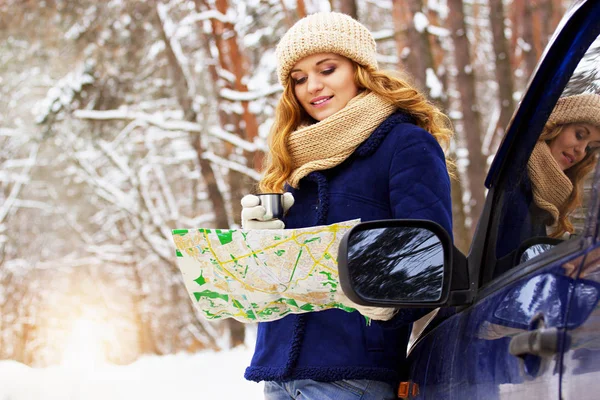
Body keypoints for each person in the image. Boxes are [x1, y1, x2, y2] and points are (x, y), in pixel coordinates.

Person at [240, 12, 453, 399]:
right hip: (278, 375)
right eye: (300, 78)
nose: (313, 87)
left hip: (351, 375)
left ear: (358, 69)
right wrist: (255, 247)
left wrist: (391, 306)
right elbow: (276, 283)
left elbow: (430, 257)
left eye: (327, 69)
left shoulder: (403, 145)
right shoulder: (293, 159)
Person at [496, 93, 600, 265]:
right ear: (557, 124)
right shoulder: (517, 181)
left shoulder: (541, 195)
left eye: (590, 147)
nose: (581, 150)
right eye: (580, 135)